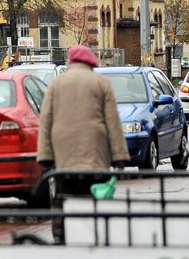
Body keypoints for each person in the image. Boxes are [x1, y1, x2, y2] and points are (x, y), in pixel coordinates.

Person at [37, 45, 129, 243]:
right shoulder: (101, 83)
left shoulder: (56, 84)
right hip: (95, 154)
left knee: (62, 197)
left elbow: (46, 120)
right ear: (91, 62)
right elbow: (112, 121)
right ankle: (95, 238)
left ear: (71, 61)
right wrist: (120, 156)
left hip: (64, 156)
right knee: (95, 198)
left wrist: (45, 157)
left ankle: (61, 239)